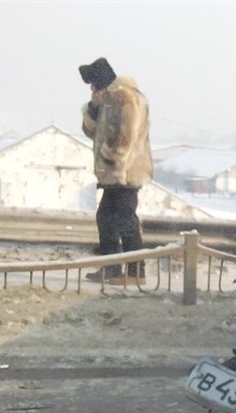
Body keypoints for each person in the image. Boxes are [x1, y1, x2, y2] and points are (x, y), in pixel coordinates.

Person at [79, 57, 153, 283]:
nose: (91, 89)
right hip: (114, 174)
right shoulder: (109, 99)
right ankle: (112, 269)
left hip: (126, 172)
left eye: (93, 84)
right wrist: (93, 108)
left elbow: (126, 135)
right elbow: (93, 132)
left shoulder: (125, 97)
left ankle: (135, 272)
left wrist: (111, 156)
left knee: (125, 219)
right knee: (105, 218)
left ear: (101, 82)